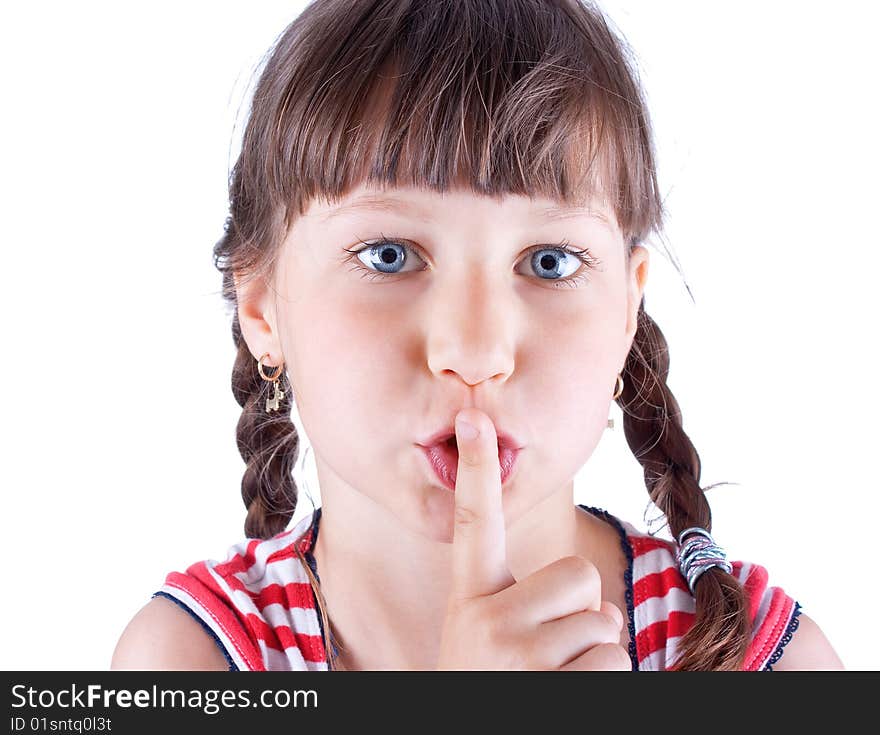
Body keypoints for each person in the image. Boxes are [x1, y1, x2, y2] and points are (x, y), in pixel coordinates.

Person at [111, 0, 843, 671]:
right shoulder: (188, 659)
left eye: (550, 262)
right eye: (388, 255)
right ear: (263, 305)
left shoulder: (757, 659)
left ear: (627, 309)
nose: (475, 350)